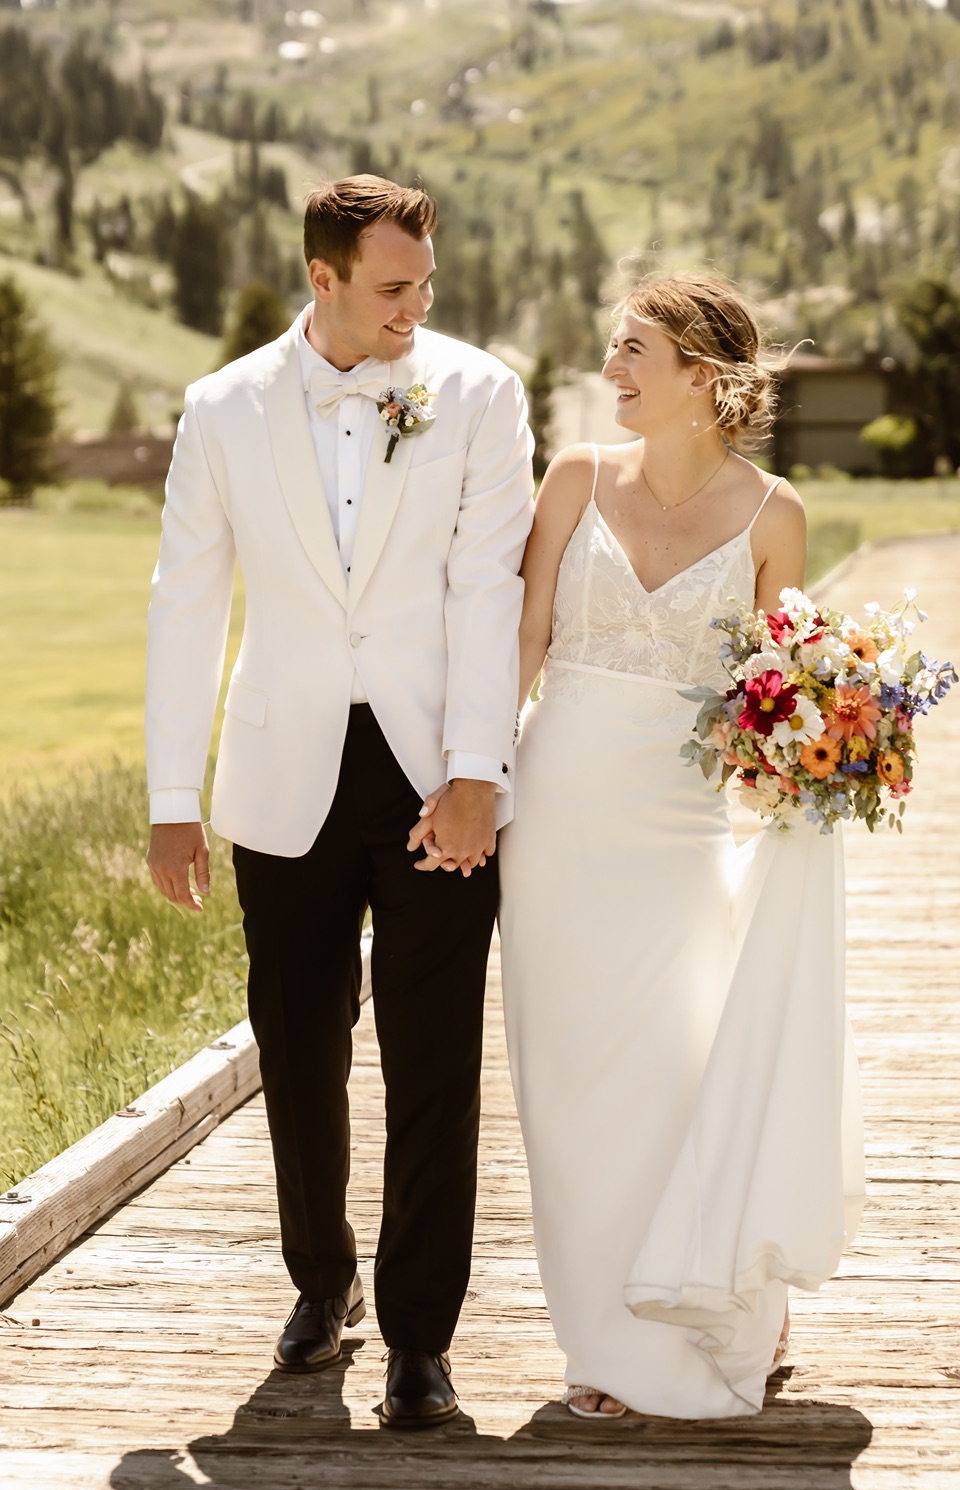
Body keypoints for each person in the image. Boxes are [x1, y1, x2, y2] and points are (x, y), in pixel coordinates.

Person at [145, 175, 534, 1427]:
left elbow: (487, 590)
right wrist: (171, 792)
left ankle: (424, 1336)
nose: (419, 306)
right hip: (282, 773)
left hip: (435, 773)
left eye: (427, 281)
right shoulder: (220, 409)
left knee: (434, 1059)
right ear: (322, 279)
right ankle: (324, 1283)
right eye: (392, 288)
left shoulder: (478, 392)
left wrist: (479, 770)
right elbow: (186, 603)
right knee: (297, 1047)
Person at [493, 274, 865, 1419]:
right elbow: (520, 646)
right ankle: (603, 1341)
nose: (611, 370)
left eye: (632, 350)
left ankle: (706, 1300)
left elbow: (780, 690)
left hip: (680, 829)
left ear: (701, 374)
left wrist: (832, 747)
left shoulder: (774, 514)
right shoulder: (571, 480)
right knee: (566, 1094)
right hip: (554, 821)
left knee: (673, 1071)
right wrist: (476, 780)